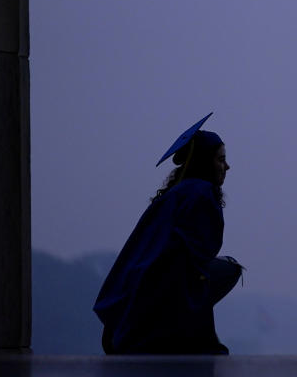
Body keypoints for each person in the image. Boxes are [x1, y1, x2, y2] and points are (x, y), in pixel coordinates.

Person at [93, 113, 242, 354]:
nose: (227, 167)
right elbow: (198, 252)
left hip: (143, 284)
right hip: (167, 284)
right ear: (205, 162)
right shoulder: (202, 193)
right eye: (220, 160)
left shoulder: (176, 194)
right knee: (230, 269)